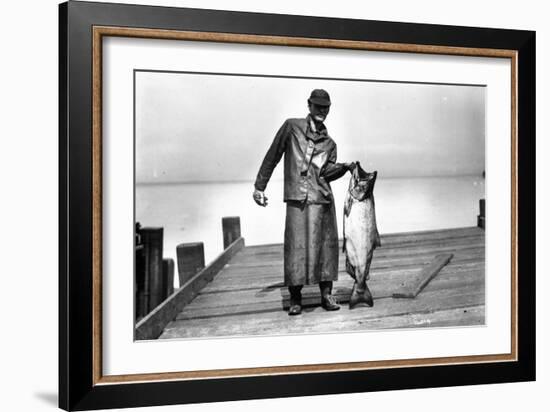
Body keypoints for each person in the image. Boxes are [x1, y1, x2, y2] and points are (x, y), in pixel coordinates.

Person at [253, 89, 356, 316]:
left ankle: (326, 294)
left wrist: (344, 168)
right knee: (295, 248)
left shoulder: (330, 144)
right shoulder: (291, 127)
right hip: (297, 198)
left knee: (326, 248)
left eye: (326, 107)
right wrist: (259, 186)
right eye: (318, 106)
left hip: (322, 200)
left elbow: (326, 172)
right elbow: (273, 155)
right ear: (309, 105)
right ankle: (295, 298)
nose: (322, 111)